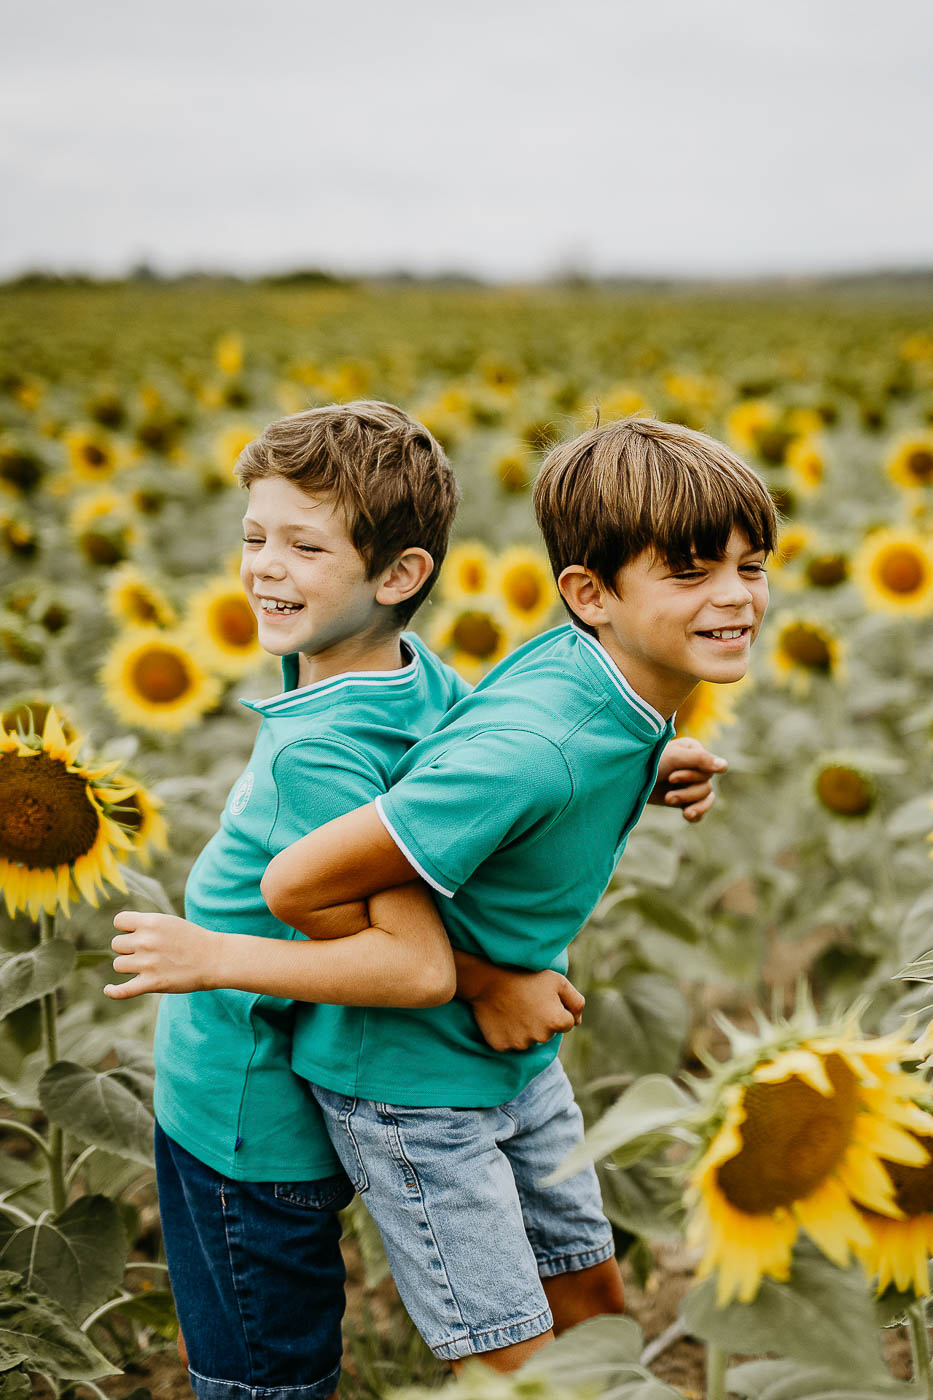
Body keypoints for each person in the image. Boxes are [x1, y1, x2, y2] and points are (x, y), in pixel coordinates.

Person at [109, 416, 747, 1375]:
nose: (263, 567)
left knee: (271, 1344)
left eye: (302, 546)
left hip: (317, 1060)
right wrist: (213, 957)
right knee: (269, 1357)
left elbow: (497, 777)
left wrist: (634, 768)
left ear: (399, 575)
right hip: (252, 1087)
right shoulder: (346, 731)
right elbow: (410, 919)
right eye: (254, 538)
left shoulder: (416, 688)